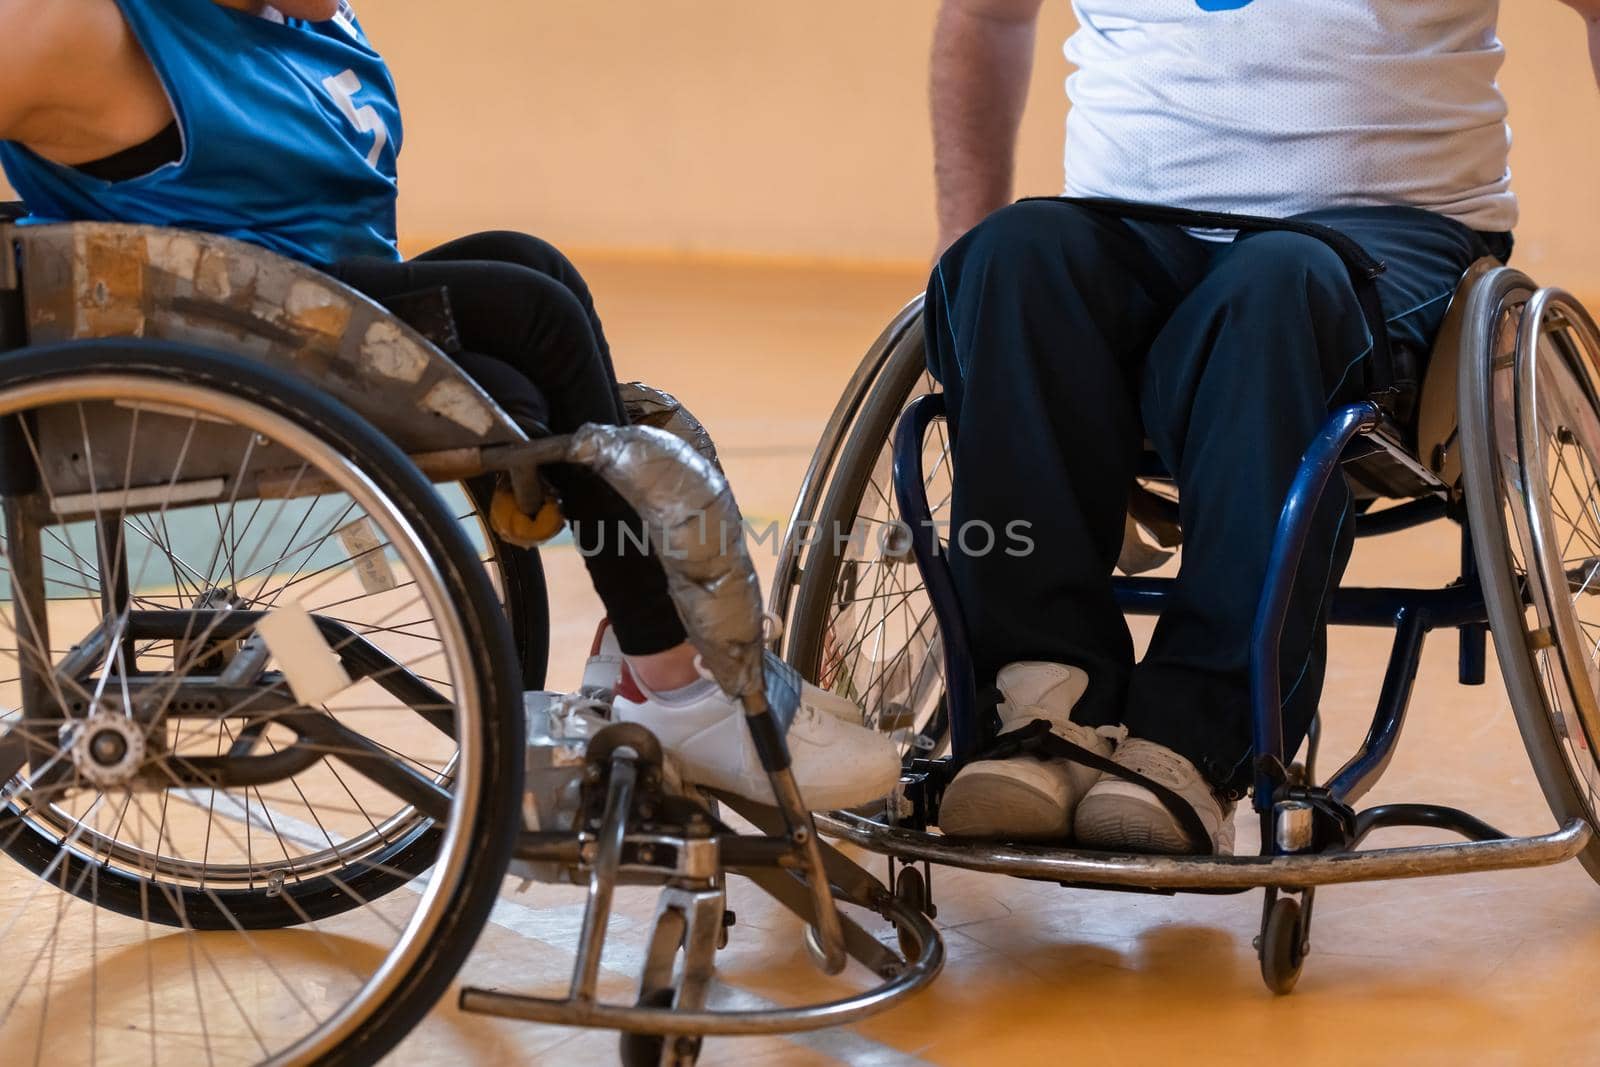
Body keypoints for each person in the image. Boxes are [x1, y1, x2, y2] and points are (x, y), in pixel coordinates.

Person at [0, 0, 900, 811]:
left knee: (532, 270)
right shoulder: (73, 30)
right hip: (213, 357)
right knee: (532, 316)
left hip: (299, 314)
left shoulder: (282, 19)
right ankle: (675, 680)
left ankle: (650, 663)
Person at [927, 0, 1600, 854]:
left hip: (1378, 235)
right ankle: (1041, 708)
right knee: (1008, 257)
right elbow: (987, 16)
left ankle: (1197, 740)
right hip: (1123, 226)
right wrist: (958, 271)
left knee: (1277, 285)